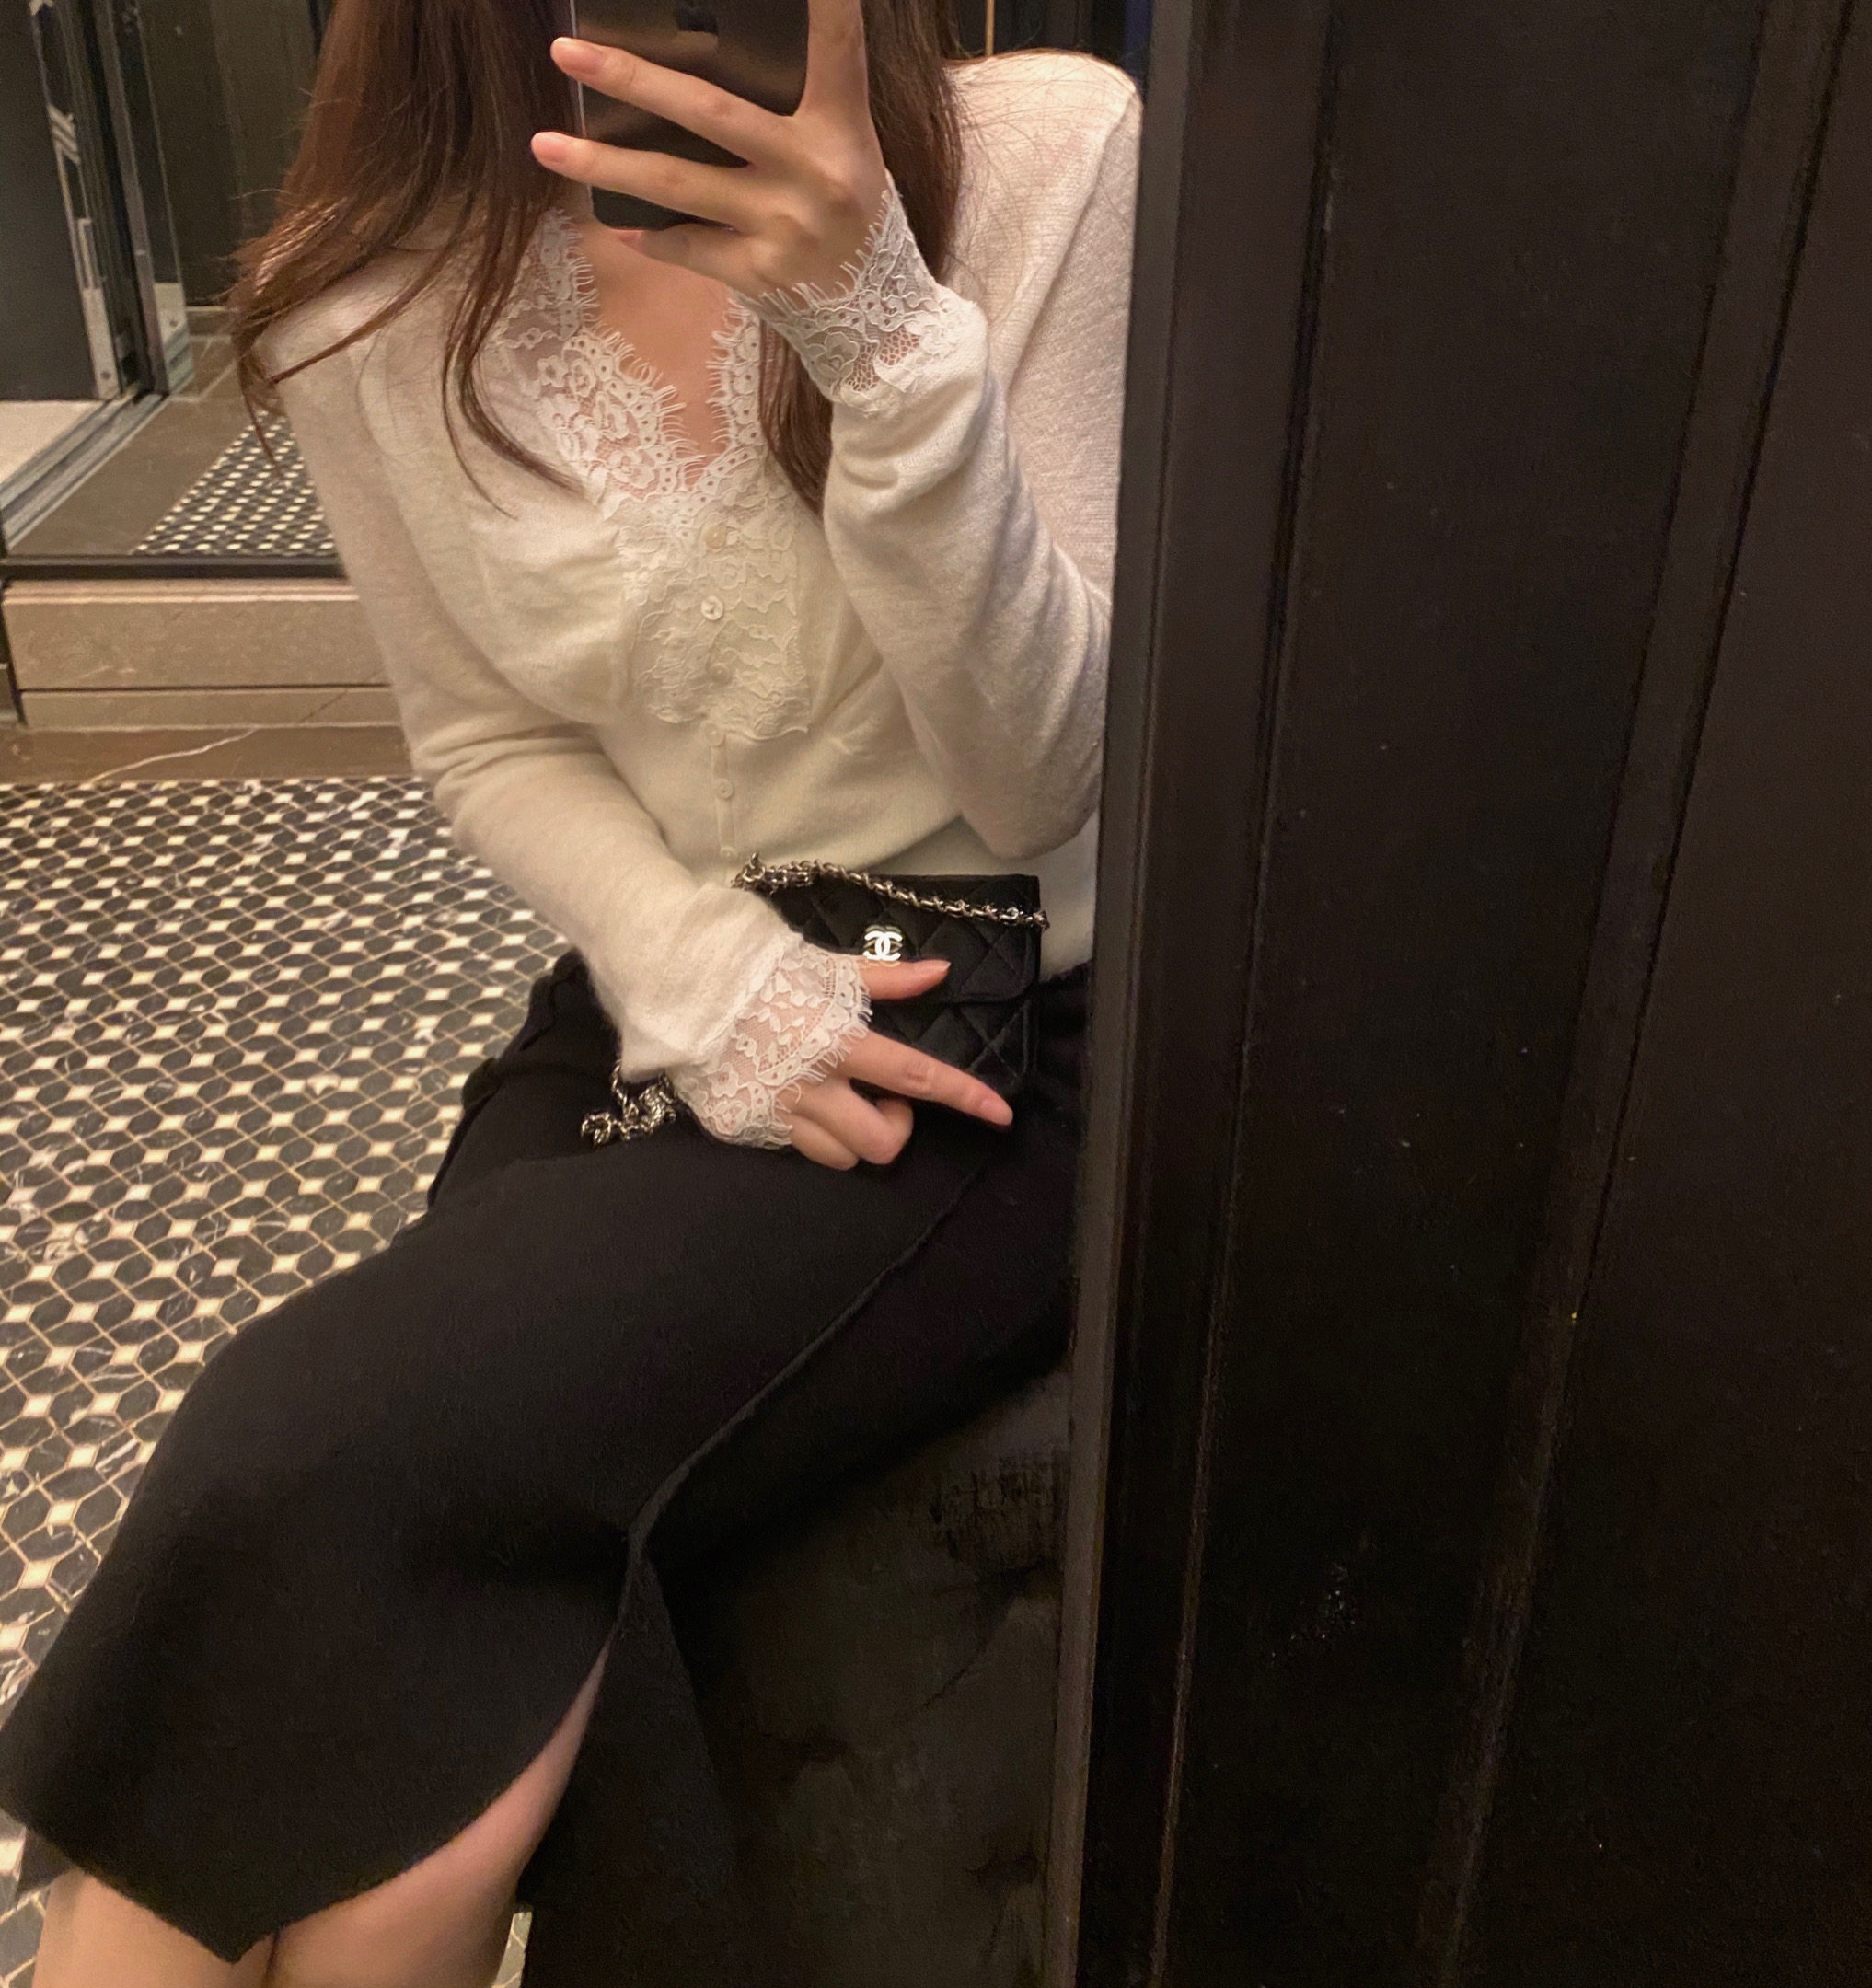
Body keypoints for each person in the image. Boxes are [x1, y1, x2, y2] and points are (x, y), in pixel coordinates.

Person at [0, 0, 1137, 1981]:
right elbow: (483, 737)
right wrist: (705, 979)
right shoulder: (372, 288)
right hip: (656, 996)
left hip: (985, 1026)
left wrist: (880, 334)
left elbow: (1044, 777)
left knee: (288, 1443)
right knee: (428, 1819)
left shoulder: (1046, 154)